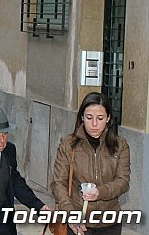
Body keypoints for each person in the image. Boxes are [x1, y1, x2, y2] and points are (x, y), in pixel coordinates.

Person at [51, 92, 130, 235]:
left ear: (108, 118)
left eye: (100, 118)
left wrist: (101, 192)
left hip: (109, 222)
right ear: (82, 117)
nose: (94, 124)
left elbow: (123, 181)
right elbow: (58, 183)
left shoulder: (120, 145)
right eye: (89, 117)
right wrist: (70, 212)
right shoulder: (68, 144)